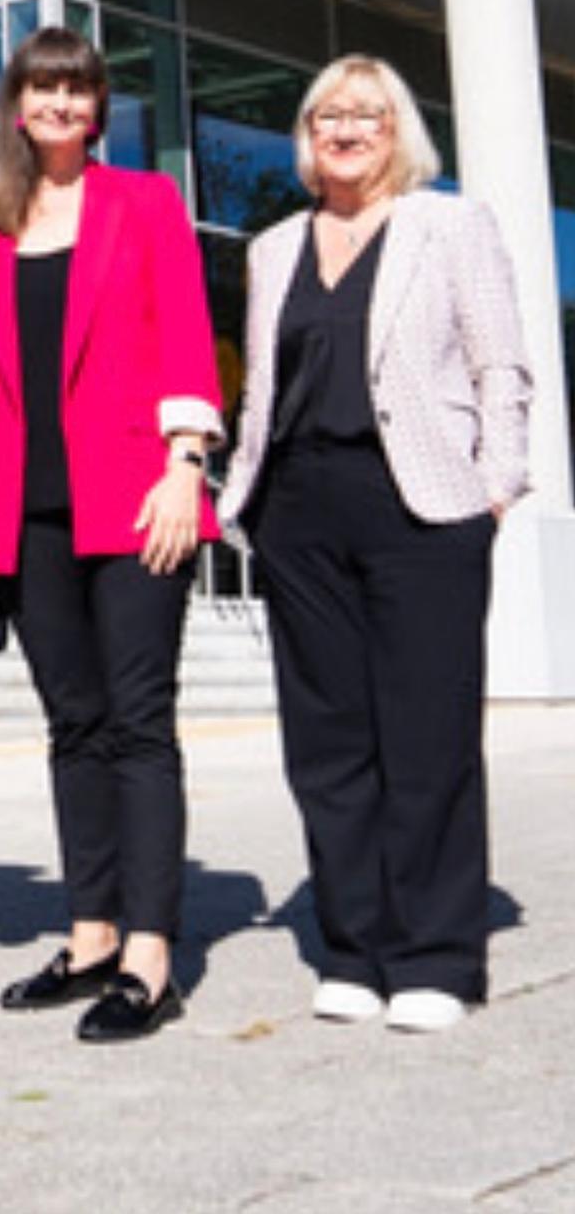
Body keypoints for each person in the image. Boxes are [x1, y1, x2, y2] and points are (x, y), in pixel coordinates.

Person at [219, 56, 530, 1034]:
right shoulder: (272, 246)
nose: (344, 129)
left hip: (420, 506)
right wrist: (246, 499)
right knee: (326, 741)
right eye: (325, 115)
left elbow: (499, 361)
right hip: (297, 509)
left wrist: (496, 482)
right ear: (305, 136)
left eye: (366, 113)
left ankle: (436, 952)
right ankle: (352, 945)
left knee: (426, 734)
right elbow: (262, 387)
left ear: (399, 131)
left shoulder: (449, 223)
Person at [0, 25, 222, 1043]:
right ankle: (91, 931)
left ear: (98, 107)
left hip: (136, 500)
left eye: (79, 89)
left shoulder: (143, 202)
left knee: (138, 722)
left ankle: (151, 955)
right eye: (44, 88)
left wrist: (182, 465)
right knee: (72, 725)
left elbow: (188, 333)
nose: (62, 104)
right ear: (16, 105)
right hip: (25, 516)